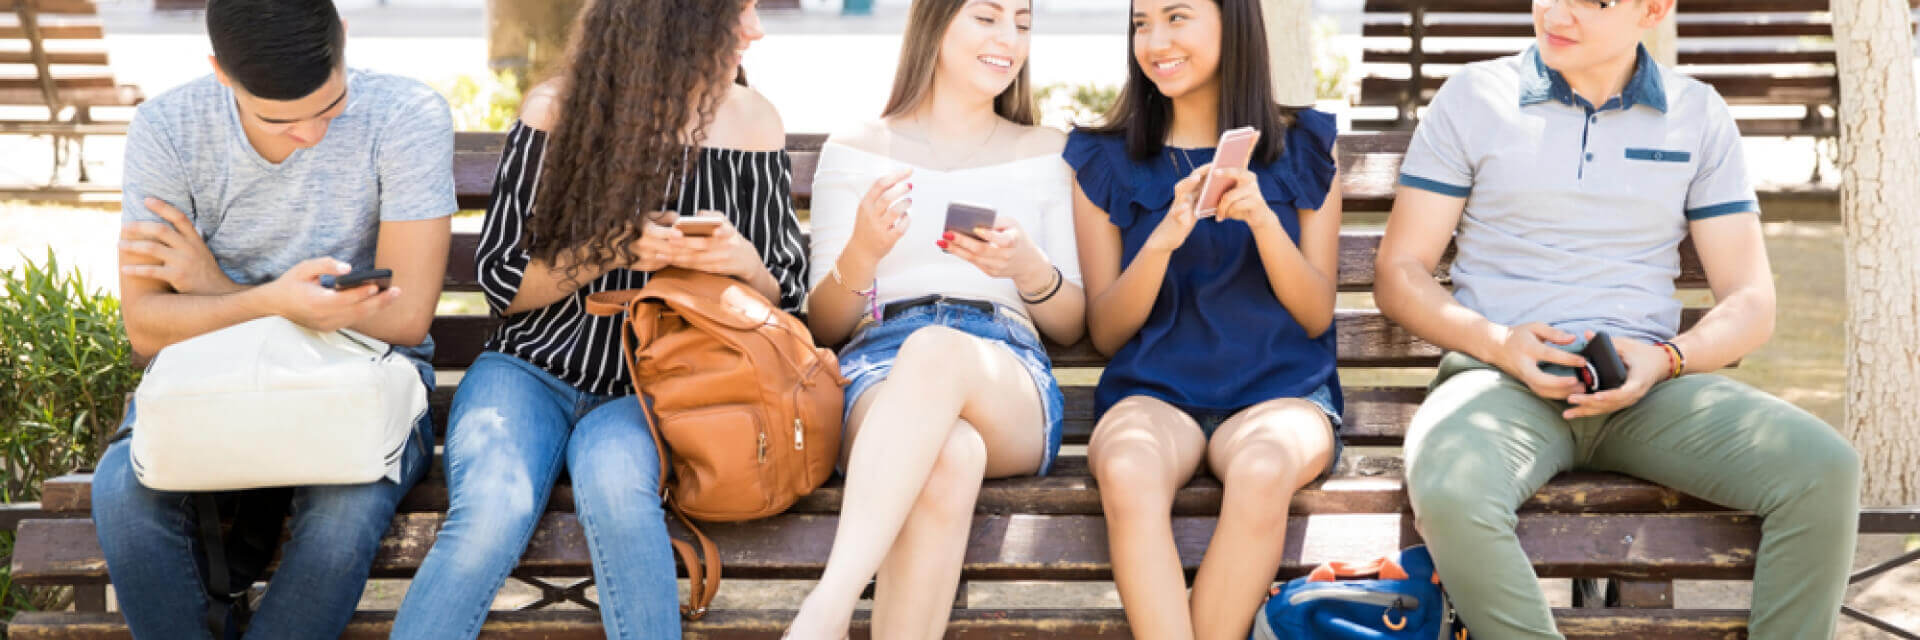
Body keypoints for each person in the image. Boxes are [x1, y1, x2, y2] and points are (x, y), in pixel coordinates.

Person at [1373, 0, 1862, 637]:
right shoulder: (1473, 97)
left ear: (1653, 9)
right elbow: (1399, 271)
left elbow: (1750, 302)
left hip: (1646, 391)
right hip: (1500, 383)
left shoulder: (1697, 114)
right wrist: (1497, 344)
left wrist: (1667, 358)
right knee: (1451, 488)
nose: (1558, 12)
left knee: (1823, 470)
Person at [390, 1, 807, 638]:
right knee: (490, 513)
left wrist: (745, 263)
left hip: (651, 392)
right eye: (738, 11)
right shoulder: (558, 110)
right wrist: (611, 252)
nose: (756, 28)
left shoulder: (754, 124)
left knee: (619, 497)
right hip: (528, 371)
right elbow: (502, 281)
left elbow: (789, 295)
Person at [90, 0, 455, 636]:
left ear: (343, 37)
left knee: (342, 522)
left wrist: (214, 289)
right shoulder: (169, 128)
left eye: (328, 107)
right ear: (220, 72)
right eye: (279, 120)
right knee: (124, 500)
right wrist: (269, 302)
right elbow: (147, 327)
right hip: (212, 380)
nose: (311, 133)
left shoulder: (406, 115)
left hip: (364, 379)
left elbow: (406, 321)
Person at [782, 0, 1084, 637]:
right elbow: (828, 327)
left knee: (938, 350)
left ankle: (827, 608)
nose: (1010, 38)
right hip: (879, 369)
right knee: (948, 453)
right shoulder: (858, 147)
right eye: (988, 17)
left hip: (1007, 374)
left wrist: (1028, 268)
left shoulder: (1048, 150)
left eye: (1023, 24)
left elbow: (1070, 324)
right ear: (936, 22)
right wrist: (863, 251)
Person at [1063, 1, 1345, 638]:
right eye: (1141, 22)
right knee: (1129, 468)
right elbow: (1106, 332)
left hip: (1281, 393)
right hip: (1153, 394)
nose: (1155, 40)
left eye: (1177, 16)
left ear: (1233, 22)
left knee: (1263, 468)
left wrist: (1264, 222)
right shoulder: (1102, 160)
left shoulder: (1304, 147)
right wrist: (1163, 237)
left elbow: (1314, 313)